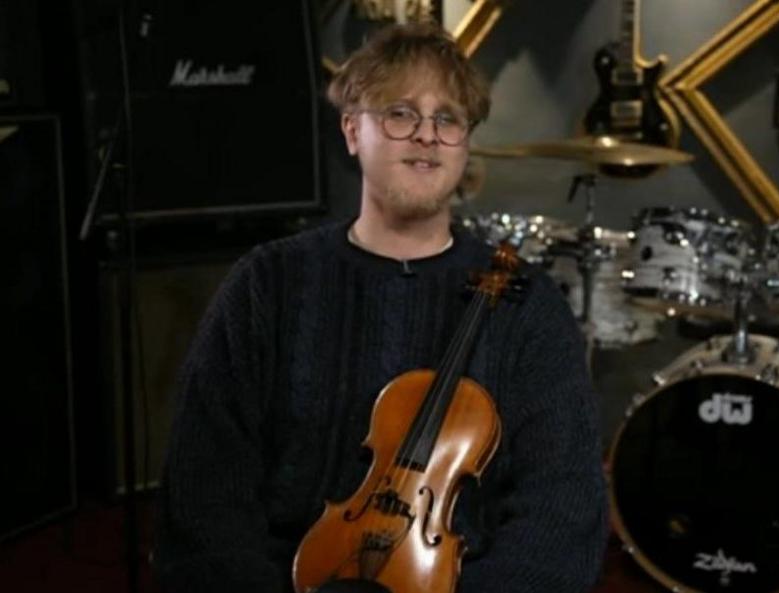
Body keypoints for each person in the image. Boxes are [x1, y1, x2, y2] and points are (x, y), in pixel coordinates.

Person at [153, 21, 609, 593]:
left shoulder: (528, 307)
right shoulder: (267, 283)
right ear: (352, 131)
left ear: (465, 143)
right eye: (399, 113)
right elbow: (205, 487)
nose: (426, 135)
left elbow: (562, 510)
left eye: (448, 118)